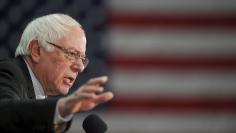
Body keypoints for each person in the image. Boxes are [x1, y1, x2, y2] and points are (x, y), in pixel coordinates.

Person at [0, 13, 114, 133]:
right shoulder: (8, 72)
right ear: (36, 51)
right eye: (72, 54)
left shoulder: (38, 96)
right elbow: (4, 112)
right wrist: (60, 108)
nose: (80, 67)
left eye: (82, 59)